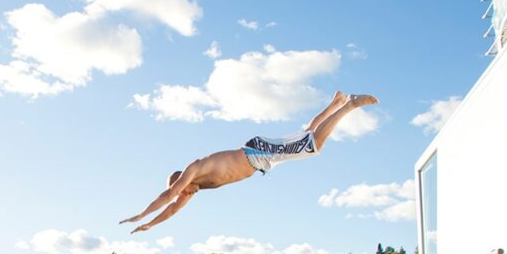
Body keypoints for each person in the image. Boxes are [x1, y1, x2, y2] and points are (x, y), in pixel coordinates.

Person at [119, 92, 378, 233]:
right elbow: (173, 209)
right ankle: (335, 104)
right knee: (305, 136)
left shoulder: (193, 170)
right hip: (261, 161)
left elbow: (168, 196)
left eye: (182, 191)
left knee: (313, 146)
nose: (184, 196)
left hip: (255, 152)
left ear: (180, 182)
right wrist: (150, 225)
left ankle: (350, 106)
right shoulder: (194, 189)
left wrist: (140, 214)